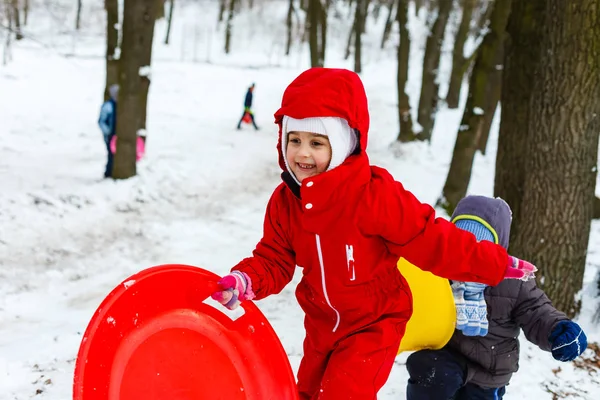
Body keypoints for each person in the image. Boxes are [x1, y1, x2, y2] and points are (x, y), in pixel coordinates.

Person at [211, 68, 536, 400]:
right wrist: (246, 279)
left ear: (342, 144)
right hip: (323, 324)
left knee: (342, 394)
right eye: (295, 140)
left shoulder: (373, 196)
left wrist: (493, 262)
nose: (302, 153)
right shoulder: (285, 203)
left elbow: (431, 238)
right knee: (307, 393)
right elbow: (274, 258)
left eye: (317, 142)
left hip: (374, 324)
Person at [405, 195, 588, 400]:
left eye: (480, 248)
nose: (469, 256)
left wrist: (557, 329)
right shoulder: (439, 271)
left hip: (489, 371)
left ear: (497, 249)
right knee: (428, 369)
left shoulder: (514, 282)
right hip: (447, 356)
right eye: (461, 245)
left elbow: (536, 310)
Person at [98, 84, 119, 178]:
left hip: (118, 134)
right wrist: (108, 132)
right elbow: (101, 121)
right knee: (111, 154)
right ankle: (108, 173)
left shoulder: (122, 105)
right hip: (110, 135)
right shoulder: (108, 106)